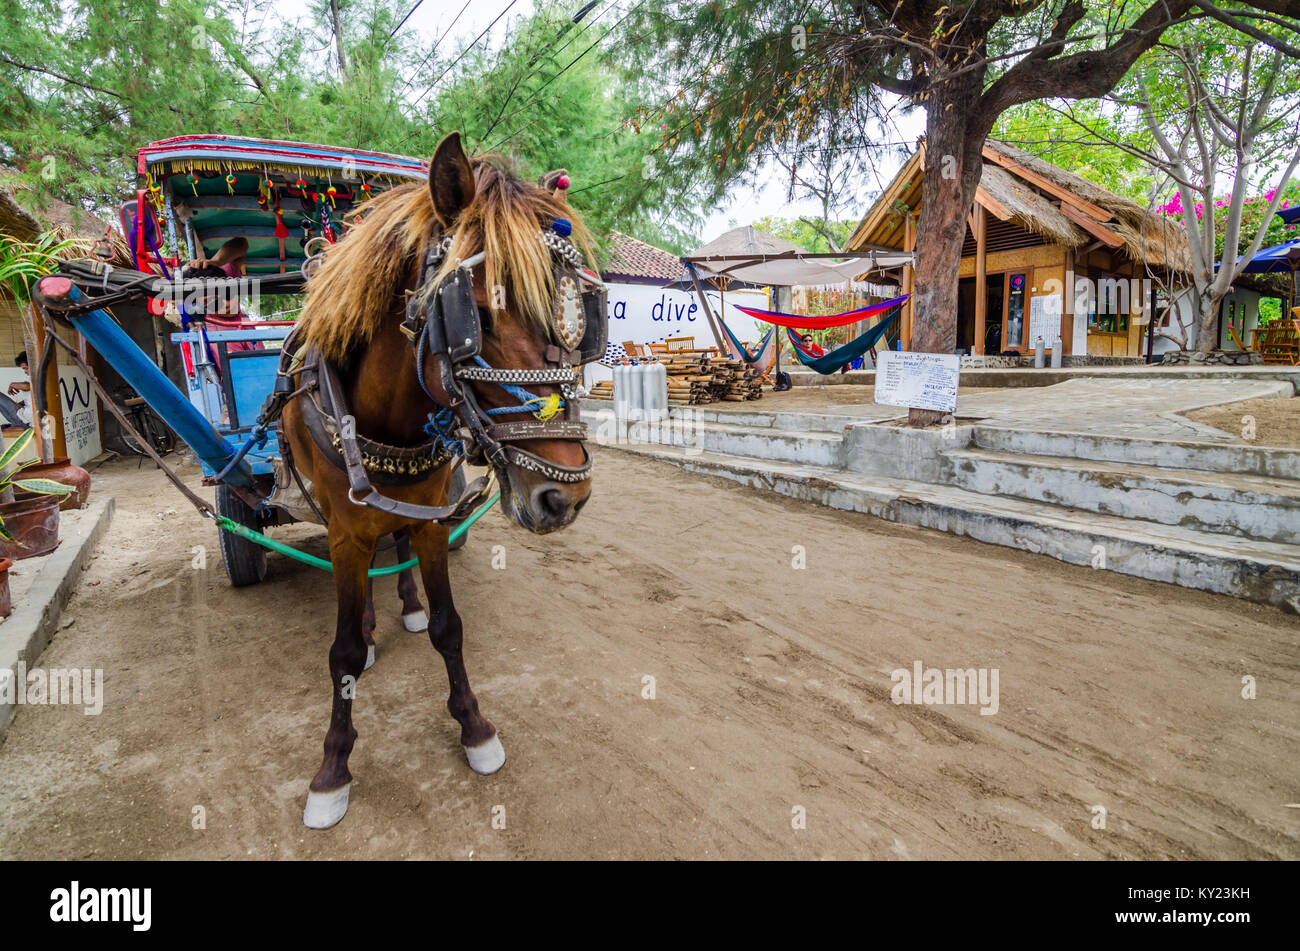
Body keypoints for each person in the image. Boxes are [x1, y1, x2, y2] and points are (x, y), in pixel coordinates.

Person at [0, 352, 33, 429]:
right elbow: (32, 400)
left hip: (24, 419)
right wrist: (20, 403)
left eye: (26, 368)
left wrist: (12, 384)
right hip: (21, 418)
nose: (25, 371)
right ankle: (14, 424)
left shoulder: (40, 377)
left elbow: (28, 386)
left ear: (33, 365)